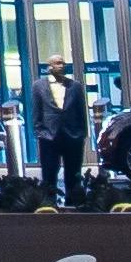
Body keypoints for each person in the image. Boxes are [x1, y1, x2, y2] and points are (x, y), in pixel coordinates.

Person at [40, 64, 90, 207]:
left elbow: (81, 110)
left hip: (73, 135)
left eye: (61, 63)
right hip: (49, 136)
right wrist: (40, 132)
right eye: (55, 64)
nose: (58, 66)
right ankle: (50, 200)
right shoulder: (39, 86)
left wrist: (82, 133)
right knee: (49, 170)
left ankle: (73, 199)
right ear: (49, 68)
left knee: (73, 170)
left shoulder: (75, 86)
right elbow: (37, 110)